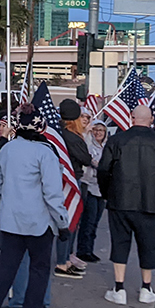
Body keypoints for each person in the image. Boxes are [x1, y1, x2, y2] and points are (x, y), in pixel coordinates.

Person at [0, 103, 69, 308]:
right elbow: (52, 193)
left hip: (10, 220)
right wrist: (63, 222)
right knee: (39, 269)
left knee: (6, 267)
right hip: (39, 222)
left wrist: (3, 207)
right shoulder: (46, 152)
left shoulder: (7, 149)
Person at [96, 104, 155, 305]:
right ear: (150, 119)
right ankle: (146, 287)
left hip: (120, 199)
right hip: (149, 201)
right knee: (148, 243)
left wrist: (107, 193)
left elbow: (103, 169)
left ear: (131, 118)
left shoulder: (116, 140)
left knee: (120, 242)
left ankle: (119, 288)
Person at [53, 99, 92, 279]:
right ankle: (63, 261)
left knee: (69, 220)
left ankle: (66, 258)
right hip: (72, 179)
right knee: (69, 221)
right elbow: (85, 158)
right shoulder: (73, 137)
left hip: (61, 180)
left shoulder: (58, 134)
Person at [75, 120, 109, 263]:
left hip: (102, 188)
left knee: (95, 221)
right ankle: (83, 250)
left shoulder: (107, 147)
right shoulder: (89, 145)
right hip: (89, 186)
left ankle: (90, 249)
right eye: (95, 130)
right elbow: (91, 161)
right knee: (88, 221)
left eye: (101, 130)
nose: (98, 133)